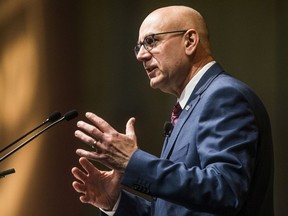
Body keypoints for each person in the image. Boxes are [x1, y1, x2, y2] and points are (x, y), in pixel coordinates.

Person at [71, 5, 274, 216]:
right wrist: (114, 203)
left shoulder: (223, 96)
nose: (141, 55)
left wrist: (133, 162)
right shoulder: (188, 108)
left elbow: (224, 190)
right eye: (138, 47)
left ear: (190, 41)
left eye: (151, 42)